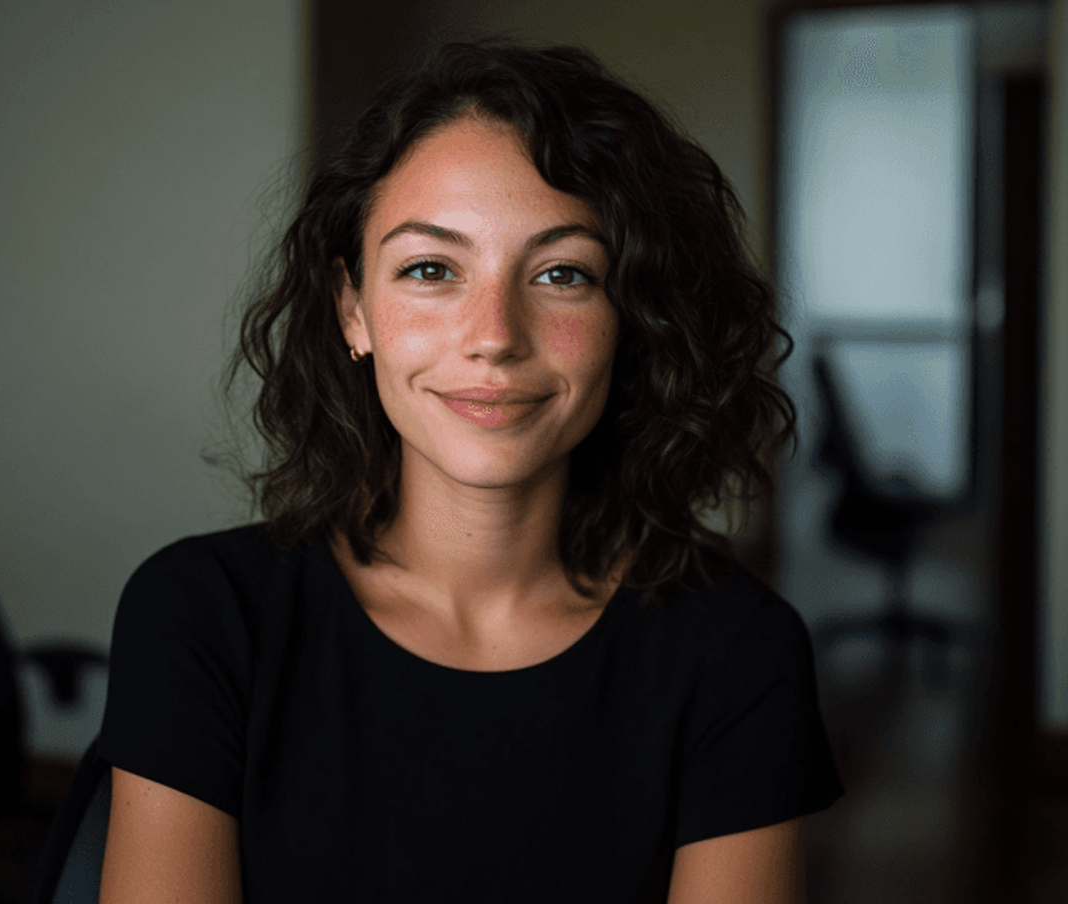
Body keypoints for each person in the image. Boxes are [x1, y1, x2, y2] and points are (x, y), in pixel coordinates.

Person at [96, 39, 843, 904]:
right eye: (430, 269)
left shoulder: (737, 652)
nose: (494, 335)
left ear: (633, 316)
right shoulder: (202, 614)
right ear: (354, 308)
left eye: (563, 273)